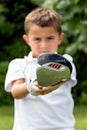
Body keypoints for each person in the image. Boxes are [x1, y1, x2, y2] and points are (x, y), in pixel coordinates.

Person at [5, 7, 77, 130]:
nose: (44, 45)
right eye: (37, 39)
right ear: (27, 40)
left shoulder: (65, 61)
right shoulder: (18, 64)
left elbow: (61, 77)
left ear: (60, 38)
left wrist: (44, 87)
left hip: (62, 128)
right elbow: (16, 92)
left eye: (50, 38)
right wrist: (31, 86)